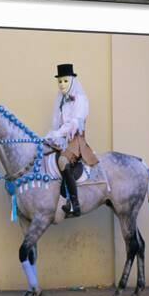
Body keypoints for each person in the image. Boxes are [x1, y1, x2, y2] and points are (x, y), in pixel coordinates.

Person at [45, 64, 99, 218]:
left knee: (62, 161)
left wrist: (57, 133)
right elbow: (57, 122)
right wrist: (52, 135)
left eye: (65, 81)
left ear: (72, 81)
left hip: (75, 138)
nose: (62, 85)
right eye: (60, 81)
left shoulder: (80, 99)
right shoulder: (61, 100)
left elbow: (73, 124)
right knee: (46, 155)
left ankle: (75, 204)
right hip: (62, 137)